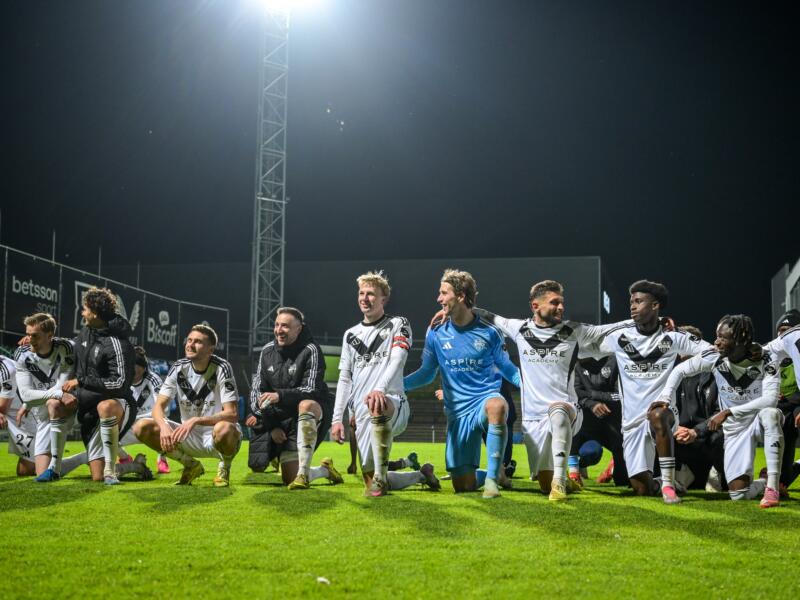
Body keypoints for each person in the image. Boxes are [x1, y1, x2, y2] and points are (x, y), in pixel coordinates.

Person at [469, 280, 628, 501]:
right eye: (554, 303)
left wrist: (654, 321)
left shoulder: (573, 330)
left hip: (569, 410)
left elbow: (607, 329)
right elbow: (491, 317)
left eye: (562, 303)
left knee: (559, 410)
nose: (561, 307)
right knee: (544, 483)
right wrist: (456, 310)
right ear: (535, 306)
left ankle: (560, 484)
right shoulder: (520, 329)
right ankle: (558, 481)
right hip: (534, 419)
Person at [404, 269, 520, 498]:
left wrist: (534, 389)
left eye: (443, 293)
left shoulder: (491, 332)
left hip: (484, 401)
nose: (438, 299)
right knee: (462, 486)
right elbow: (427, 373)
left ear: (461, 296)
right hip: (457, 414)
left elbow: (508, 369)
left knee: (497, 405)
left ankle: (492, 482)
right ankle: (495, 474)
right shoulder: (435, 332)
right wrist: (396, 386)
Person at [595, 280, 710, 503]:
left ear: (655, 305)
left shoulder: (674, 337)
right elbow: (587, 341)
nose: (633, 306)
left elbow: (712, 353)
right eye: (631, 302)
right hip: (631, 422)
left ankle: (668, 485)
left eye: (638, 301)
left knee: (657, 414)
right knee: (641, 488)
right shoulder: (619, 337)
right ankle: (659, 483)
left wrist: (683, 369)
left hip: (665, 414)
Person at [331, 271, 439, 496]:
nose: (365, 298)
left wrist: (380, 389)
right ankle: (421, 475)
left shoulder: (397, 324)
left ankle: (381, 478)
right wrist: (337, 419)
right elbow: (344, 378)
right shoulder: (350, 334)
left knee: (377, 404)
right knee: (369, 482)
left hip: (393, 402)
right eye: (361, 293)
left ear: (383, 299)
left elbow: (398, 360)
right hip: (360, 412)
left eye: (371, 294)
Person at [659, 315, 783, 507]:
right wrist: (666, 397)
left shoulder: (766, 358)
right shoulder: (713, 356)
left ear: (741, 340)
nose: (716, 341)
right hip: (735, 430)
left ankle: (773, 488)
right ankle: (763, 481)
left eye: (723, 337)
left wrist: (728, 412)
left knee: (771, 414)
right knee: (739, 495)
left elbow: (770, 400)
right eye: (717, 336)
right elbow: (679, 371)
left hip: (758, 421)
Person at [134, 324, 241, 487]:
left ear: (210, 349)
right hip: (187, 435)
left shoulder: (222, 368)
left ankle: (224, 468)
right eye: (189, 340)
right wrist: (163, 426)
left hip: (215, 433)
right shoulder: (178, 367)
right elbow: (158, 407)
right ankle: (191, 466)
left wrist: (196, 420)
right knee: (141, 427)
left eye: (197, 342)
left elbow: (232, 414)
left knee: (225, 429)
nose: (190, 345)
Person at [249, 307, 342, 489]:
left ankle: (303, 473)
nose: (279, 330)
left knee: (306, 404)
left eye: (285, 326)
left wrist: (279, 395)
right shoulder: (267, 351)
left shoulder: (311, 350)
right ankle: (324, 470)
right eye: (276, 325)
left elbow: (311, 389)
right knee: (287, 478)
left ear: (298, 329)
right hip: (280, 417)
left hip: (310, 411)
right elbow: (256, 393)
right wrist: (272, 426)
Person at [61, 288, 136, 485]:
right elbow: (75, 357)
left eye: (84, 309)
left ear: (95, 313)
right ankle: (133, 466)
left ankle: (112, 470)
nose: (82, 312)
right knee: (96, 477)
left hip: (117, 403)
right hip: (88, 407)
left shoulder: (117, 342)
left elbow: (119, 383)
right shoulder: (86, 332)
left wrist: (82, 381)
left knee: (106, 406)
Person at [13, 313, 87, 480]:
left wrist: (56, 395)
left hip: (67, 407)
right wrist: (28, 404)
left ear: (50, 336)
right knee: (33, 471)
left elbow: (63, 386)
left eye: (35, 336)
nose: (30, 339)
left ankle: (57, 465)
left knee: (54, 403)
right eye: (28, 334)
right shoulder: (22, 354)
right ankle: (83, 458)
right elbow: (26, 394)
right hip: (43, 412)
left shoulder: (66, 348)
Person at [670, 325, 726, 492]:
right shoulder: (671, 373)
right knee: (657, 430)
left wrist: (697, 432)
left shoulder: (718, 372)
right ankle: (677, 473)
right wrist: (675, 426)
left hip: (708, 437)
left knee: (725, 432)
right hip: (682, 438)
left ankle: (718, 471)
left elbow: (722, 412)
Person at [572, 355, 629, 487]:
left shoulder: (614, 361)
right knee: (590, 452)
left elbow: (620, 395)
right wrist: (592, 404)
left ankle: (616, 467)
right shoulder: (576, 365)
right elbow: (575, 393)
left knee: (622, 481)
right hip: (585, 426)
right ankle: (574, 470)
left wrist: (591, 394)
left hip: (612, 422)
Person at [771, 310, 800, 493]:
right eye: (781, 330)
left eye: (788, 330)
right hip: (784, 406)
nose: (784, 335)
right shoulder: (775, 357)